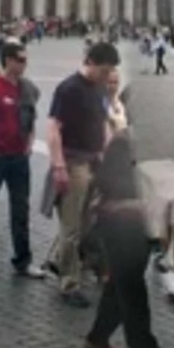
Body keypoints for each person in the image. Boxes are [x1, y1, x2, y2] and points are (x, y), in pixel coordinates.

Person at [83, 131, 169, 348]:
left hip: (136, 224)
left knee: (120, 285)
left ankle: (97, 338)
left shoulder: (148, 144)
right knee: (132, 289)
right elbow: (110, 185)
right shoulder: (125, 142)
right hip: (121, 224)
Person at [47, 41, 121, 308]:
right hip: (72, 161)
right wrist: (58, 166)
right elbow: (53, 128)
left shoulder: (98, 88)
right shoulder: (68, 89)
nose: (106, 76)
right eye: (103, 70)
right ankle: (69, 284)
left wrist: (103, 152)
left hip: (92, 161)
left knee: (87, 222)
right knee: (71, 227)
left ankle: (62, 262)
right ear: (89, 61)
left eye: (109, 72)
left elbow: (100, 122)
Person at [0, 42, 45, 277]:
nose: (24, 64)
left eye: (25, 59)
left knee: (21, 209)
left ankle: (23, 259)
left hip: (19, 158)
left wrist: (30, 142)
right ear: (8, 61)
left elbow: (31, 118)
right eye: (20, 60)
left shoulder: (28, 88)